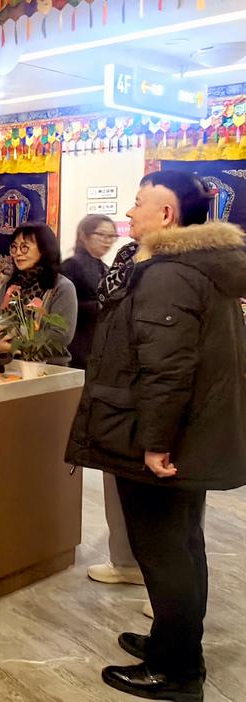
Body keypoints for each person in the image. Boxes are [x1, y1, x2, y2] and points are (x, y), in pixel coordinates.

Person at [65, 171, 246, 701]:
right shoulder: (204, 267)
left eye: (139, 202)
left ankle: (177, 671)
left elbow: (166, 369)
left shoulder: (168, 274)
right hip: (193, 434)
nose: (129, 212)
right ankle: (172, 640)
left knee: (165, 551)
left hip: (166, 441)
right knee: (184, 545)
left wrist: (155, 442)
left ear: (167, 214)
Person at [64, 216, 147, 592]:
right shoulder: (82, 266)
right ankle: (128, 561)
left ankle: (149, 578)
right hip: (101, 369)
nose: (112, 238)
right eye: (104, 234)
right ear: (84, 236)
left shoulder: (140, 267)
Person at [0, 222, 78, 366]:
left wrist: (17, 345)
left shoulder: (62, 287)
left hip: (49, 369)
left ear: (44, 249)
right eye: (14, 247)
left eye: (24, 247)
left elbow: (61, 336)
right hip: (10, 366)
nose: (18, 253)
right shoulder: (9, 286)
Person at [62, 214, 116, 369]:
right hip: (77, 344)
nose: (107, 240)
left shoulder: (105, 268)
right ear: (84, 236)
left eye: (111, 236)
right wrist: (101, 306)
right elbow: (64, 308)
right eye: (101, 235)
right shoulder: (71, 265)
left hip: (97, 344)